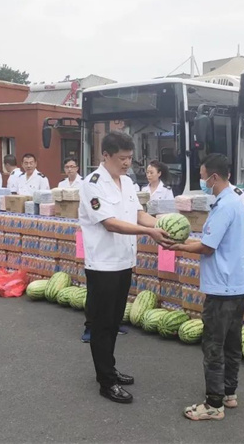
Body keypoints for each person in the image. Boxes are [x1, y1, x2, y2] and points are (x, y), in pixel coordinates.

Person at [79, 132, 172, 404]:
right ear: (105, 155)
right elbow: (109, 223)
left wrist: (162, 225)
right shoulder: (92, 184)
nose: (126, 163)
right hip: (103, 264)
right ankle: (106, 382)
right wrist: (148, 232)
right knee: (102, 324)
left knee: (114, 321)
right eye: (121, 158)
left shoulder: (128, 182)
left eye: (130, 158)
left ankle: (109, 367)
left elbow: (137, 214)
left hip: (124, 261)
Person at [169, 153, 244, 421]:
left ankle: (214, 404)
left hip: (222, 288)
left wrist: (178, 246)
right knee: (232, 343)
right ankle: (229, 393)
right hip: (238, 284)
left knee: (214, 346)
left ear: (214, 177)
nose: (202, 181)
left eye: (203, 177)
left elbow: (207, 247)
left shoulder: (225, 205)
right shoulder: (236, 198)